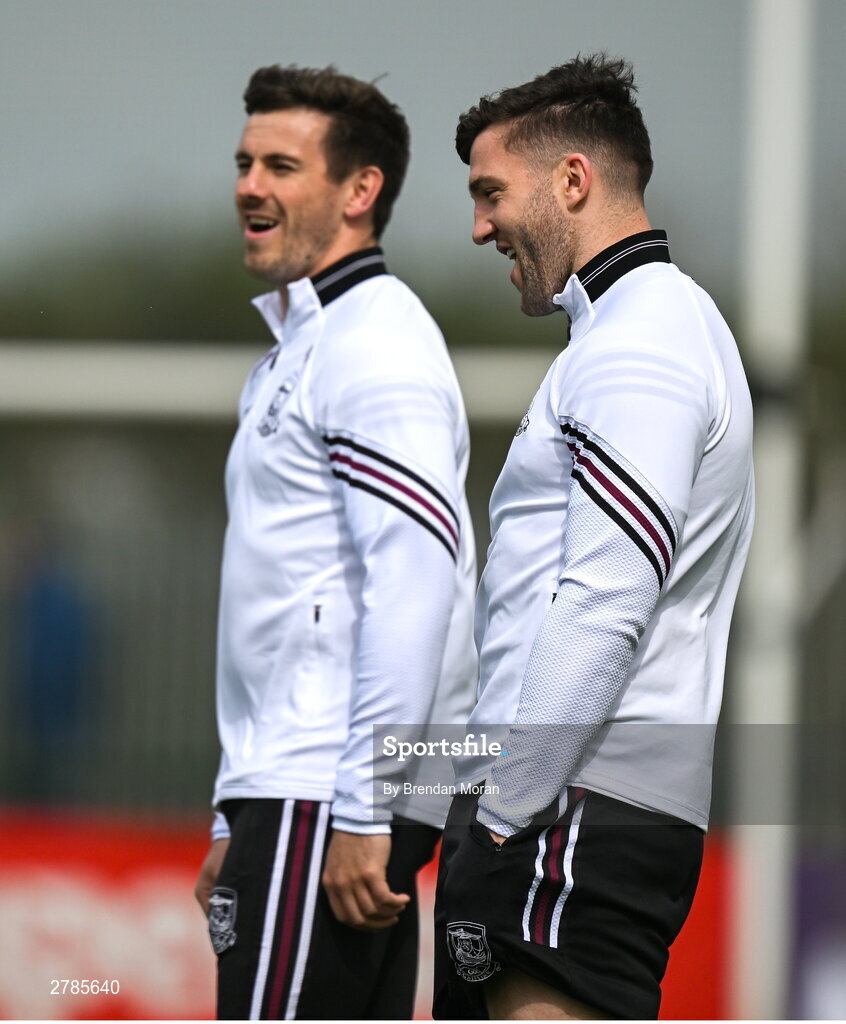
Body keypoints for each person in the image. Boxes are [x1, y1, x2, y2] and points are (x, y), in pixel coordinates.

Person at [434, 54, 754, 1020]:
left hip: (571, 802)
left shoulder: (642, 338)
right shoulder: (634, 330)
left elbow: (607, 597)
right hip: (570, 798)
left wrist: (503, 810)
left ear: (574, 180)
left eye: (492, 193)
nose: (479, 225)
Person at [193, 64, 477, 1021]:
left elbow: (417, 584)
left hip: (328, 795)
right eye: (244, 163)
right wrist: (236, 804)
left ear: (361, 191)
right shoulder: (301, 345)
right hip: (294, 793)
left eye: (281, 164)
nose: (249, 185)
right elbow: (285, 610)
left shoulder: (375, 344)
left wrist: (364, 805)